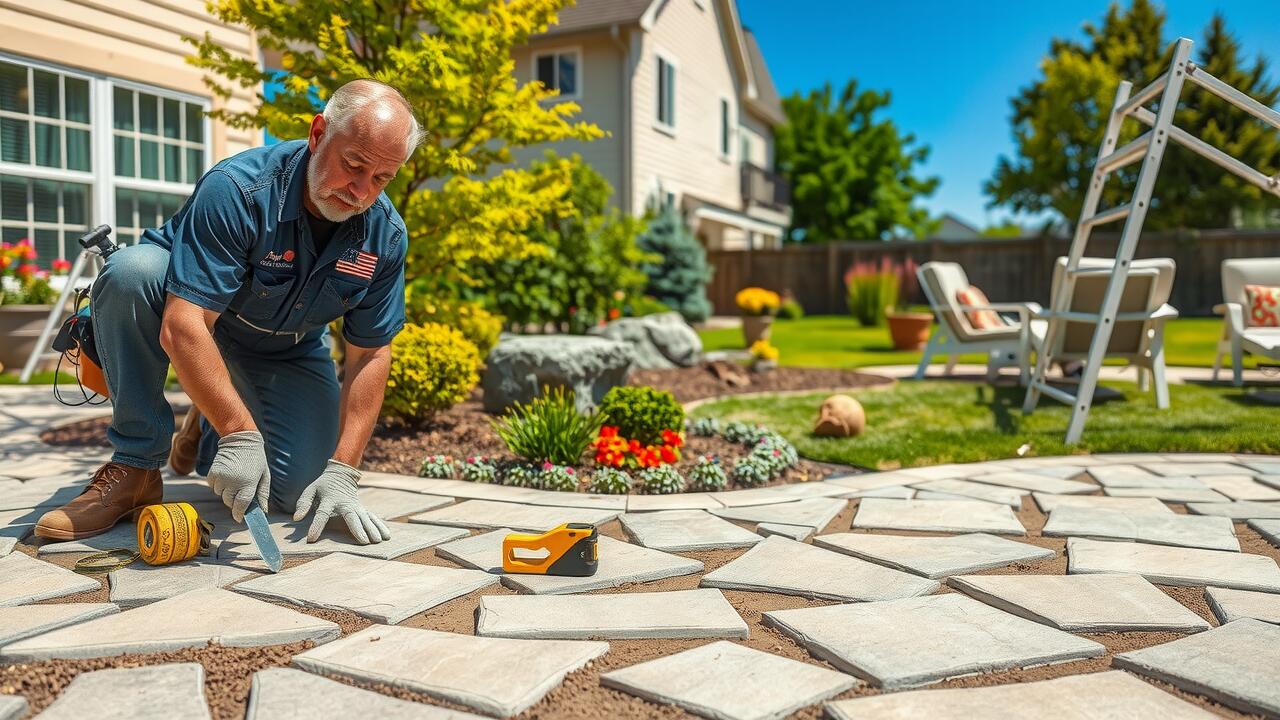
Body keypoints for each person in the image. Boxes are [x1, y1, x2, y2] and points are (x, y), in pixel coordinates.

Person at [35, 79, 423, 546]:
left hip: (286, 351)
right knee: (130, 271)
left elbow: (370, 355)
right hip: (192, 317)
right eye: (354, 165)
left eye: (382, 178)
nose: (362, 191)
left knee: (298, 492)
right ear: (318, 134)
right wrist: (241, 435)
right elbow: (185, 324)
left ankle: (207, 415)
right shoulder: (239, 189)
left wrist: (344, 471)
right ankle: (136, 466)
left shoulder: (385, 236)